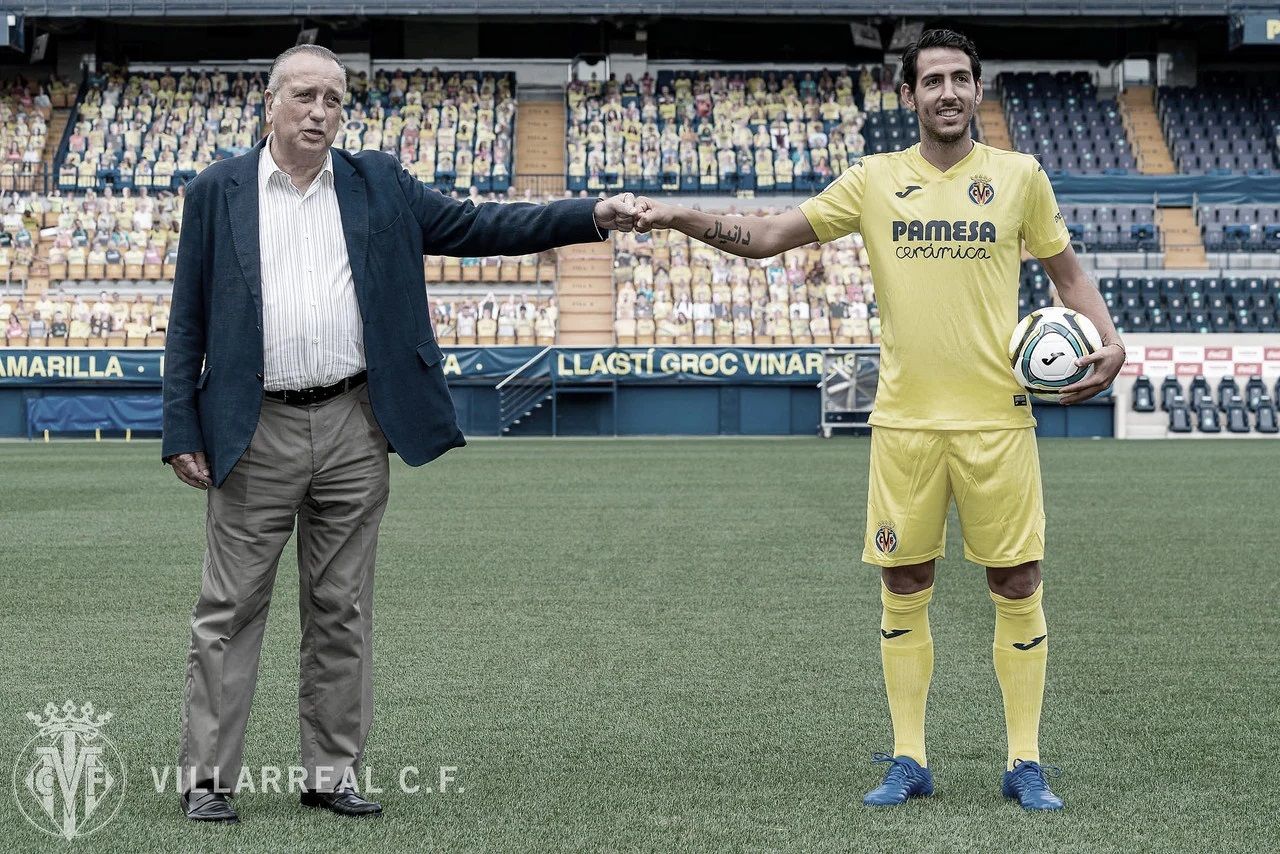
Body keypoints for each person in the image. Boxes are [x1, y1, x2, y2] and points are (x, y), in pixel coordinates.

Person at [633, 28, 1124, 812]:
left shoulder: (1020, 177)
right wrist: (675, 216)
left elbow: (1066, 273)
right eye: (933, 81)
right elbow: (765, 238)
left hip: (998, 422)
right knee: (905, 582)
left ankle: (1025, 762)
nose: (950, 93)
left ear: (977, 90)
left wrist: (1112, 340)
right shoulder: (872, 181)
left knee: (1018, 580)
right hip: (905, 425)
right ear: (911, 96)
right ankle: (909, 757)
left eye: (962, 79)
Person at [162, 44, 638, 825]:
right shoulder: (217, 191)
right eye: (307, 96)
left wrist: (589, 215)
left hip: (355, 422)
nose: (321, 112)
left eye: (335, 100)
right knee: (229, 609)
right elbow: (187, 320)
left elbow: (482, 225)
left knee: (341, 607)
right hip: (255, 428)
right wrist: (181, 423)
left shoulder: (378, 182)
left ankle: (331, 773)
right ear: (271, 102)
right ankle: (207, 780)